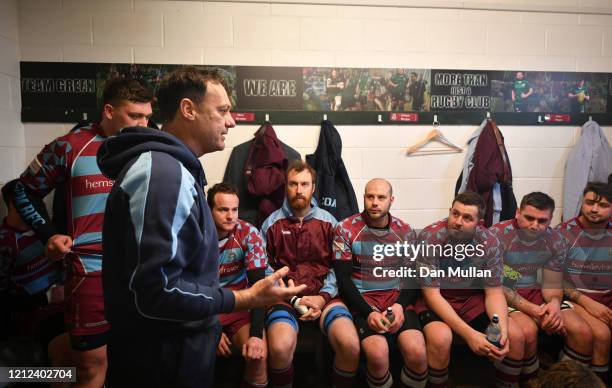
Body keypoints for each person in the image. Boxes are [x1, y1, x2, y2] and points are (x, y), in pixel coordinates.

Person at [97, 67, 305, 388]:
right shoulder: (164, 175)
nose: (231, 121)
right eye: (222, 110)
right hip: (162, 362)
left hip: (177, 352)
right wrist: (244, 298)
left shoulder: (175, 169)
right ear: (188, 110)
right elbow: (157, 291)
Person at [13, 77, 154, 387]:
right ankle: (42, 366)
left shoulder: (149, 148)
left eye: (147, 117)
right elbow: (21, 190)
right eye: (135, 116)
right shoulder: (71, 146)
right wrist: (48, 234)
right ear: (108, 111)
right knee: (92, 367)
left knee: (127, 358)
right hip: (88, 270)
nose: (143, 124)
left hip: (138, 274)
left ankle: (54, 359)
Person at [261, 160, 359, 388]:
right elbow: (264, 268)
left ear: (313, 187)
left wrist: (323, 296)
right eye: (293, 184)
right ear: (286, 186)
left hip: (326, 297)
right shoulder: (270, 224)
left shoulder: (331, 223)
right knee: (279, 347)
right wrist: (289, 295)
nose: (299, 190)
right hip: (284, 298)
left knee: (350, 345)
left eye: (304, 184)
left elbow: (340, 268)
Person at [416, 192, 526, 387]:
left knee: (514, 336)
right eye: (455, 214)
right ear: (449, 212)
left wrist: (503, 330)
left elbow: (494, 292)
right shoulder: (430, 236)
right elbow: (432, 295)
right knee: (440, 338)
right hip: (438, 298)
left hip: (470, 297)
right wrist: (469, 335)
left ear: (479, 222)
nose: (458, 221)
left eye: (467, 218)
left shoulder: (490, 241)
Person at [490, 192, 594, 385]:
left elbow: (552, 282)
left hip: (539, 293)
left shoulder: (555, 239)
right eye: (529, 218)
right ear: (518, 212)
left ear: (550, 220)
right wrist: (534, 311)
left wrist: (554, 305)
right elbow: (496, 287)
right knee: (527, 332)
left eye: (542, 221)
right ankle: (520, 382)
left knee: (582, 332)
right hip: (503, 294)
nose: (534, 225)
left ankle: (561, 382)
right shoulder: (496, 236)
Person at [333, 178, 428, 388]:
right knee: (378, 355)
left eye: (381, 197)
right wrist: (368, 312)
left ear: (391, 201)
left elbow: (412, 276)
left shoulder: (405, 231)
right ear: (364, 198)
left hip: (396, 299)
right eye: (370, 196)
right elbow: (342, 280)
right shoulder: (345, 229)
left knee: (418, 353)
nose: (375, 202)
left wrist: (400, 305)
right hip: (363, 301)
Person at [207, 183, 268, 388]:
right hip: (204, 307)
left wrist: (257, 337)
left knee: (258, 357)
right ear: (209, 210)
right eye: (223, 210)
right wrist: (212, 329)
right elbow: (187, 290)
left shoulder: (248, 233)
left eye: (234, 209)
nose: (230, 216)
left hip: (238, 306)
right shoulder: (194, 235)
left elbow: (259, 288)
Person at [557, 182, 612, 382]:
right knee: (601, 335)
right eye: (589, 203)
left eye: (603, 205)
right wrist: (588, 303)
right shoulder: (564, 232)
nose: (594, 209)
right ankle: (568, 382)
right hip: (574, 298)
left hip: (606, 299)